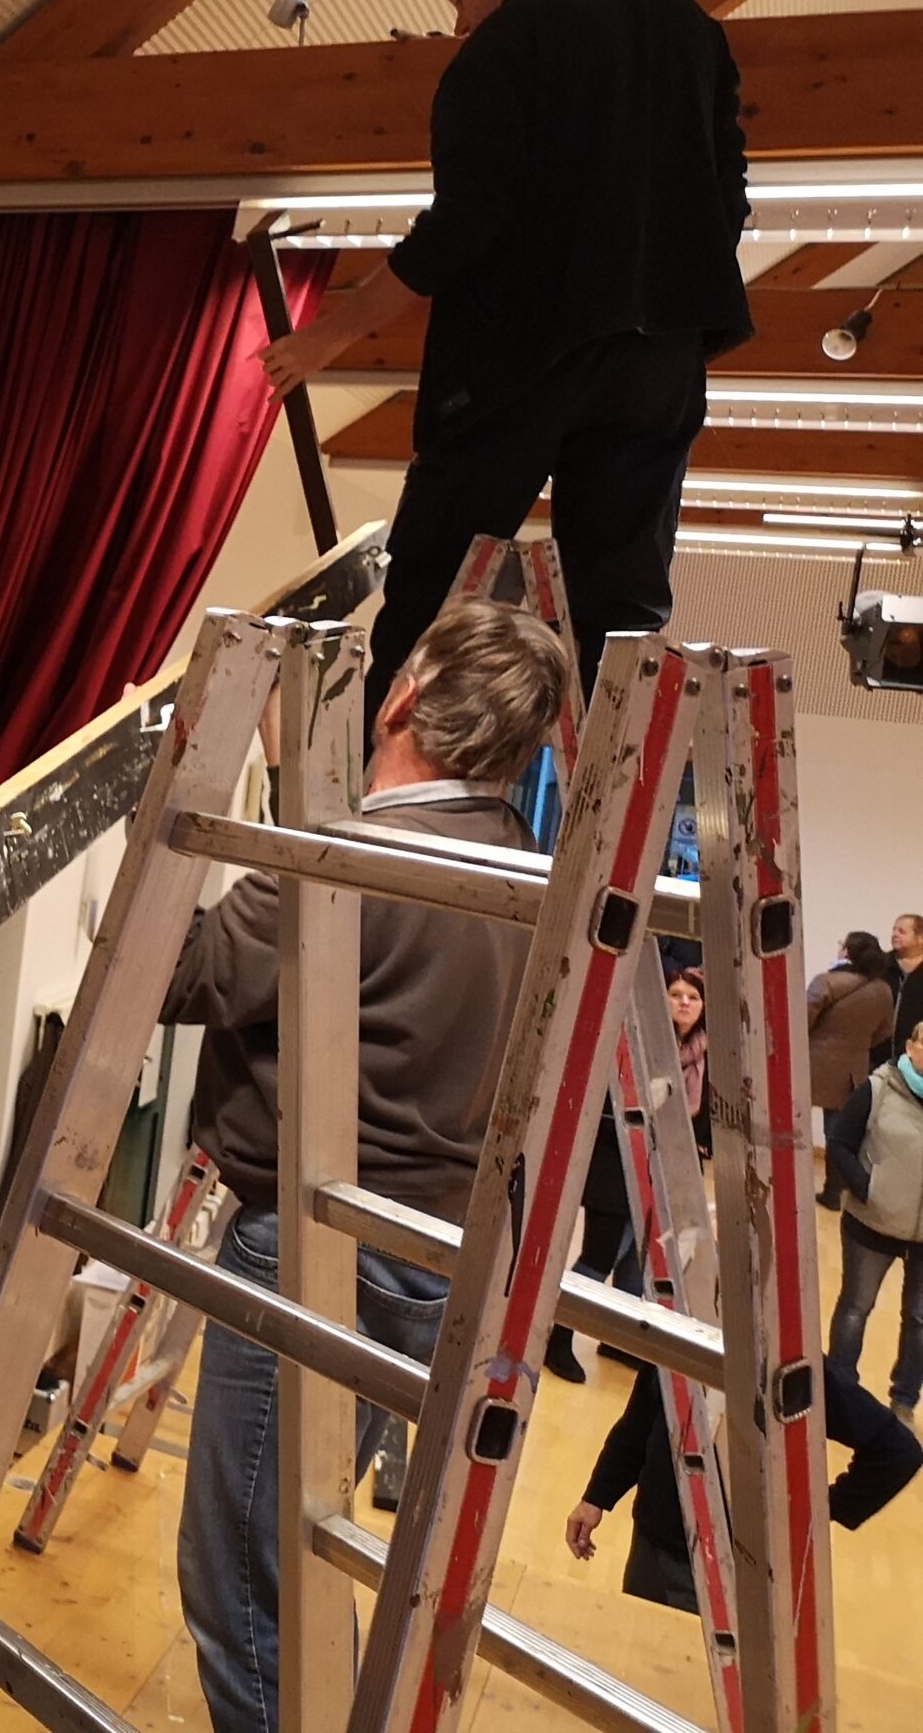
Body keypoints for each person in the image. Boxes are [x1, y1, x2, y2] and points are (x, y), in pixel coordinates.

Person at [166, 597, 573, 1733]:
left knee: (247, 1582)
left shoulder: (347, 859)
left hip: (317, 1248)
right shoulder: (523, 863)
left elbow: (182, 974)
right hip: (438, 1253)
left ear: (403, 698)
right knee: (308, 1556)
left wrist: (205, 814)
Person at [256, 0, 750, 727]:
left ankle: (384, 762)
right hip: (659, 363)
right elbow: (729, 196)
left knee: (431, 586)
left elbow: (465, 226)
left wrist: (326, 339)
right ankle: (615, 766)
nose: (457, 23)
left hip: (521, 357)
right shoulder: (689, 28)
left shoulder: (503, 48)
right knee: (623, 605)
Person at [564, 1355, 919, 1611]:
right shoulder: (677, 1334)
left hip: (723, 1569)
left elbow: (897, 1452)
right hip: (649, 1545)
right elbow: (639, 1422)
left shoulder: (788, 1367)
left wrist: (814, 1511)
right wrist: (596, 1498)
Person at [545, 968, 710, 1384]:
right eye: (675, 994)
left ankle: (616, 1338)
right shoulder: (639, 1043)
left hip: (662, 1171)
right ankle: (556, 1335)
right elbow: (609, 1106)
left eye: (692, 997)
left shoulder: (700, 1054)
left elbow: (700, 1119)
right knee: (599, 1257)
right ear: (661, 1000)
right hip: (614, 1166)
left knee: (638, 1259)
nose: (684, 1002)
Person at [827, 1020, 923, 1427]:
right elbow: (839, 1145)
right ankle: (839, 1393)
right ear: (911, 1046)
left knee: (919, 1320)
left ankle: (904, 1401)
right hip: (871, 1224)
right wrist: (870, 1190)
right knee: (856, 1307)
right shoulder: (878, 1089)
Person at [811, 932, 897, 1208]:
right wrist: (858, 1045)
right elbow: (885, 1030)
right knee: (838, 1132)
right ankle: (834, 1191)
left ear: (847, 952)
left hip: (812, 1064)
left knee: (791, 1122)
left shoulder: (826, 982)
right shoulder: (883, 989)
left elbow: (800, 1019)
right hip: (854, 1069)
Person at [876, 914, 923, 1071]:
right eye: (894, 930)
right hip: (878, 1056)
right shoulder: (881, 966)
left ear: (920, 938)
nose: (895, 934)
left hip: (916, 1059)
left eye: (902, 931)